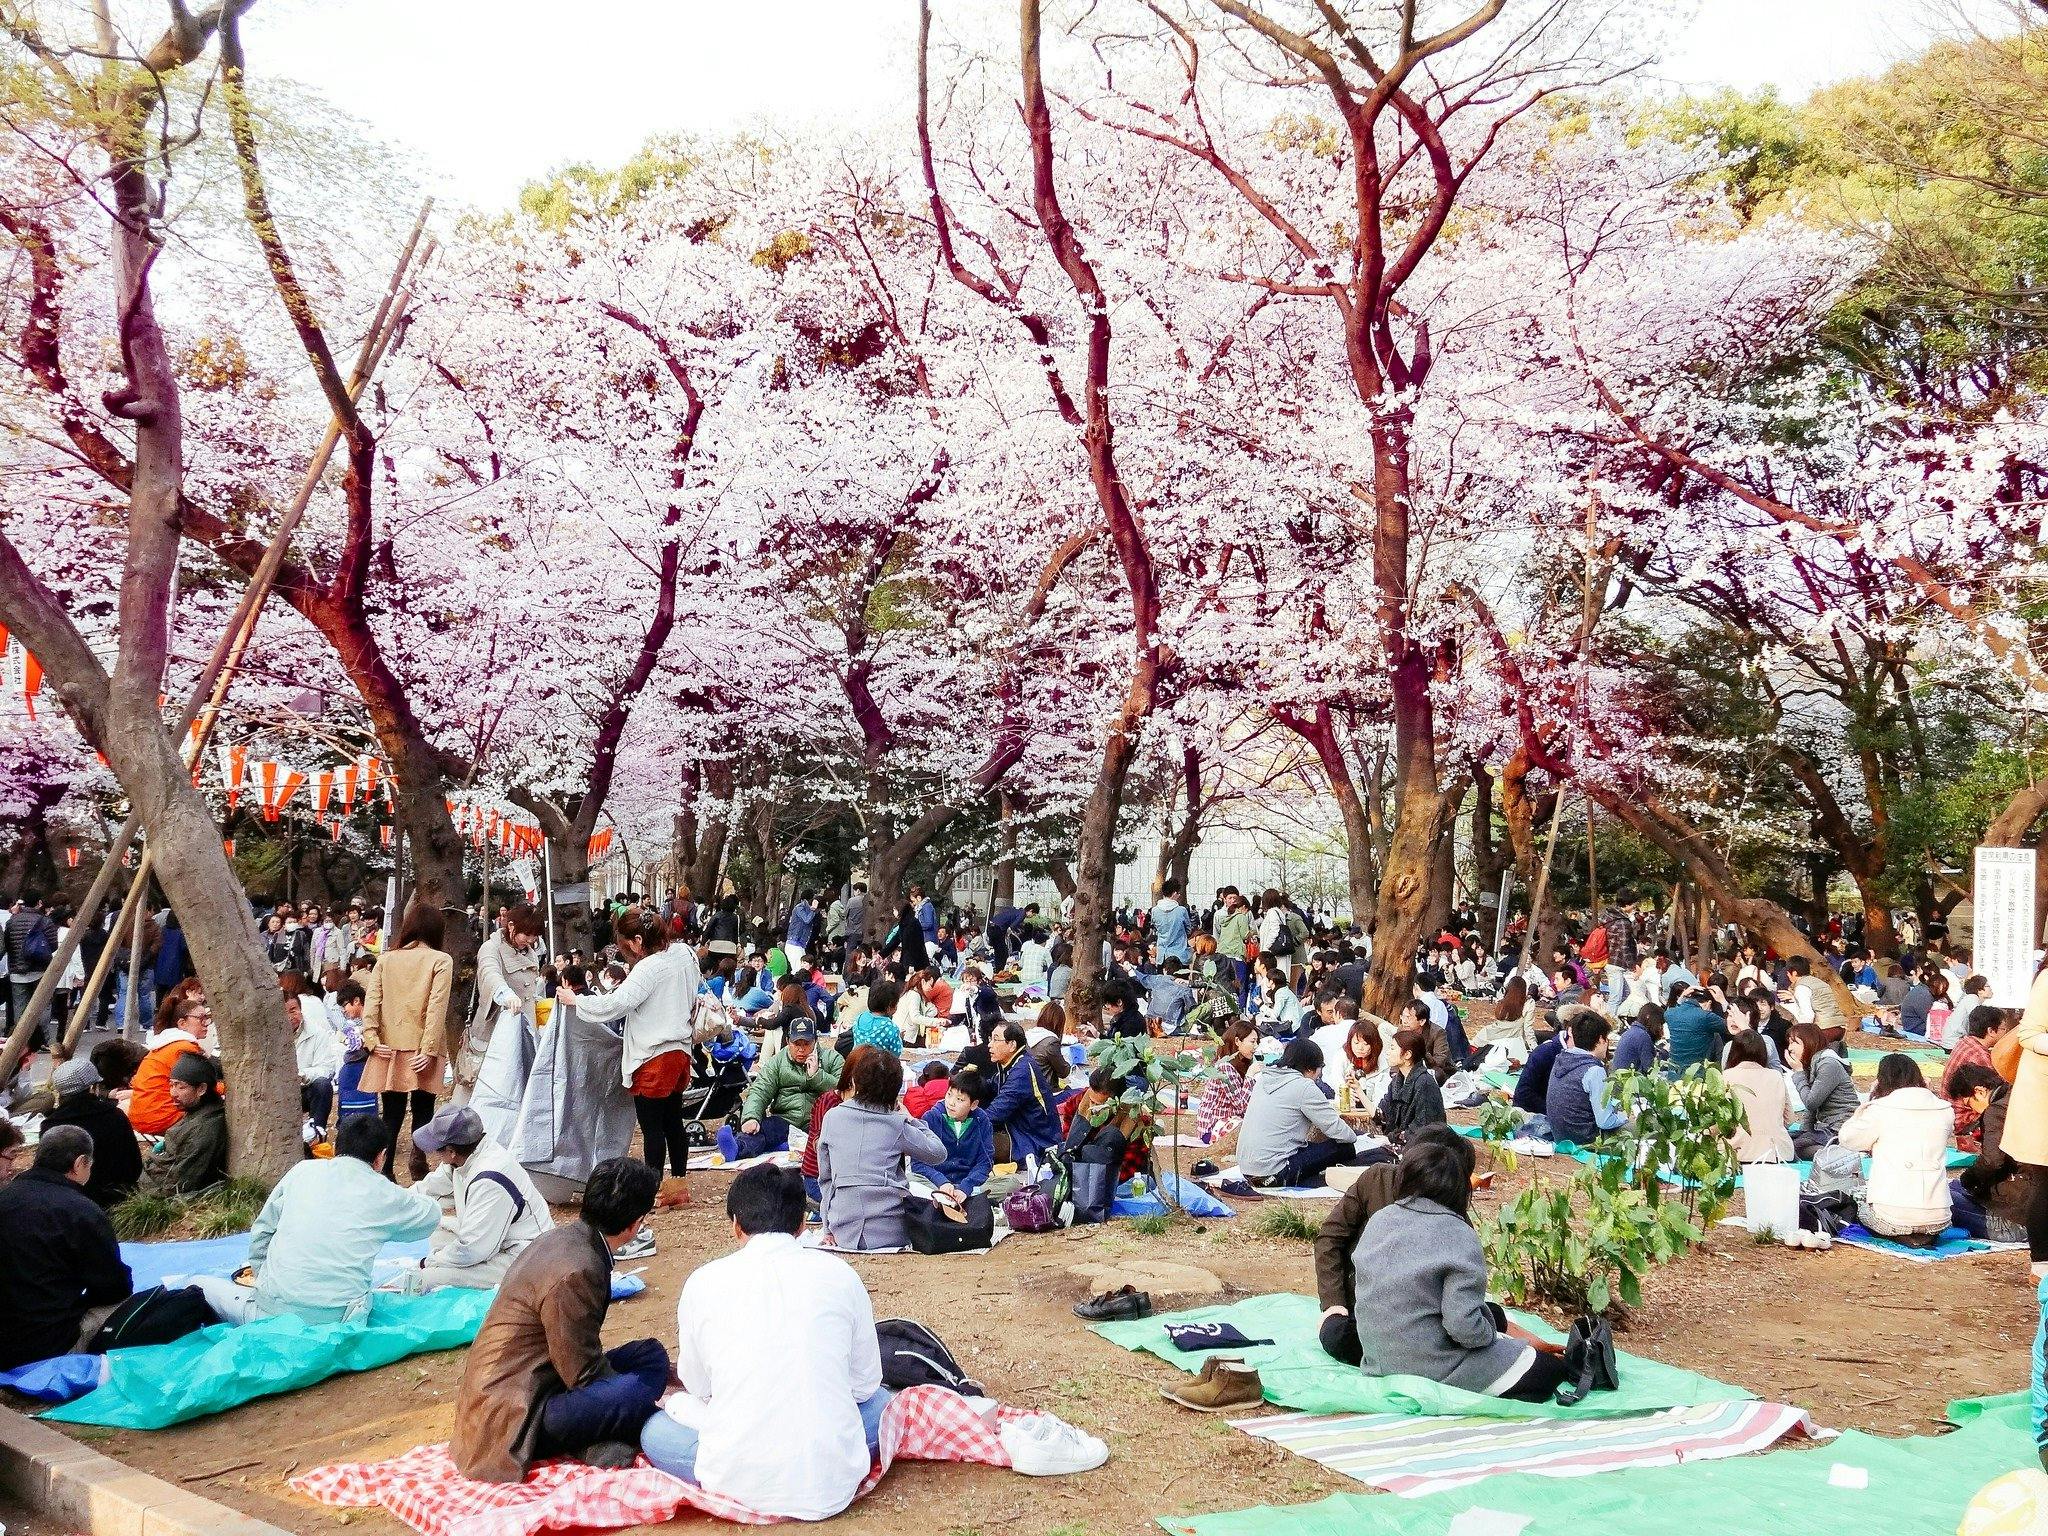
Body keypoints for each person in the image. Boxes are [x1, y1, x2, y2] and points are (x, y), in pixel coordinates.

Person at [640, 1166, 890, 1517]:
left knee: (656, 1432)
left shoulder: (703, 1282)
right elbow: (865, 1385)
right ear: (802, 1225)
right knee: (882, 1402)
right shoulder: (841, 1275)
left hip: (736, 1475)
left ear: (736, 1226)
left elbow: (697, 1386)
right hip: (831, 1478)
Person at [453, 1157, 670, 1479]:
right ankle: (596, 1438)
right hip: (515, 1416)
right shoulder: (578, 1269)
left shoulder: (566, 1240)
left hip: (532, 1384)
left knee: (649, 1356)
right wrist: (633, 1397)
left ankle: (595, 1439)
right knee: (635, 1390)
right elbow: (582, 1373)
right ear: (635, 1224)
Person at [1351, 1138, 1569, 1402]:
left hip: (1377, 1364)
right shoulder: (1457, 1233)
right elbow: (1463, 1326)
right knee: (1549, 1371)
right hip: (1430, 1368)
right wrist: (1494, 1338)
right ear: (1460, 1188)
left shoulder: (1380, 1219)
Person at [192, 1114, 442, 1325]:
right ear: (381, 1157)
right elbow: (431, 1216)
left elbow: (262, 1231)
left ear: (334, 1148)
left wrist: (267, 1282)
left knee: (198, 1283)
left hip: (270, 1313)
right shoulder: (385, 1192)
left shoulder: (301, 1171)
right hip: (341, 1319)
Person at [560, 908, 700, 1198]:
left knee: (652, 1128)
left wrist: (576, 1001)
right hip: (681, 1052)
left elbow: (615, 1005)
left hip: (653, 1056)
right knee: (673, 1120)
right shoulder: (685, 954)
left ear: (637, 941)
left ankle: (654, 1189)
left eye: (626, 946)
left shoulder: (648, 969)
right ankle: (678, 1185)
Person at [1313, 1125, 1472, 1365]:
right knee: (1338, 1336)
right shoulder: (1377, 1180)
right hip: (1369, 1314)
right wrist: (1334, 1304)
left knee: (1489, 1317)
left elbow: (1461, 1290)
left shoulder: (1454, 1218)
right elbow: (1330, 1239)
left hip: (1426, 1322)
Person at [0, 1125, 132, 1369]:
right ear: (80, 1163)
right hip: (47, 1347)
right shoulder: (81, 1211)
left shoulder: (6, 1197)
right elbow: (115, 1288)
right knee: (134, 1306)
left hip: (7, 1340)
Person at [397, 1106, 553, 1293]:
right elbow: (428, 1190)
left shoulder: (490, 1179)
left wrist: (430, 1262)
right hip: (493, 1241)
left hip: (525, 1258)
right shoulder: (465, 1157)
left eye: (438, 1150)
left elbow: (472, 1249)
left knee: (427, 1279)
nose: (436, 1155)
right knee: (435, 1231)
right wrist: (392, 1205)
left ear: (451, 1151)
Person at [360, 899, 454, 1182]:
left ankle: (386, 1167)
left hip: (389, 1046)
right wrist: (428, 1047)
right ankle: (418, 1154)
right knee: (424, 1107)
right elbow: (437, 1006)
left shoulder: (385, 959)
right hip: (424, 1045)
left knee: (391, 1111)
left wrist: (371, 1038)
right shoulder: (441, 960)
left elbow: (372, 1001)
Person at [815, 1049, 946, 1250]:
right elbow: (938, 1153)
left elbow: (825, 1179)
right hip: (891, 1230)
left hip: (843, 1230)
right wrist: (911, 1119)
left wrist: (828, 1229)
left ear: (855, 1083)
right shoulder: (896, 1123)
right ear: (895, 1090)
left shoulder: (832, 1117)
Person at [1835, 1053, 1952, 1245]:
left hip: (1892, 1214)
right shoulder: (1944, 1110)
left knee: (1858, 1205)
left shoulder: (1880, 1109)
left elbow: (1847, 1139)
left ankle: (1901, 1233)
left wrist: (1869, 1101)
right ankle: (1921, 1234)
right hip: (1939, 1218)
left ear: (1882, 1080)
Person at [1236, 1038, 1361, 1187]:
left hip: (1246, 1170)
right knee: (1344, 1148)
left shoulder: (1265, 1078)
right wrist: (1356, 1137)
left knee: (1311, 1148)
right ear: (1309, 1069)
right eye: (1320, 1067)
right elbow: (1342, 1133)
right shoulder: (1305, 1086)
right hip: (1274, 1173)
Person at [457, 904, 543, 1103]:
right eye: (527, 934)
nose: (531, 940)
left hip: (523, 1032)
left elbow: (528, 990)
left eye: (535, 935)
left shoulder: (530, 952)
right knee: (476, 1090)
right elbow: (490, 974)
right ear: (511, 926)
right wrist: (505, 994)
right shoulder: (491, 948)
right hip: (492, 1030)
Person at [734, 1017, 845, 1161]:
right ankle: (738, 1147)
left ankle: (785, 1146)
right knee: (759, 1130)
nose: (801, 1049)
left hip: (821, 1121)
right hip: (785, 1120)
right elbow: (760, 1090)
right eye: (796, 1044)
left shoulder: (832, 1058)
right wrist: (751, 1117)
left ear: (815, 1041)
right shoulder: (777, 1061)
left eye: (806, 1043)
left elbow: (844, 1092)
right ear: (787, 1041)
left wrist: (818, 1076)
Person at [42, 1059, 142, 1207]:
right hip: (116, 1198)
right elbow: (134, 1166)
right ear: (92, 1088)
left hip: (68, 1202)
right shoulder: (114, 1116)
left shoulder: (50, 1125)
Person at [1949, 1064, 2032, 1243]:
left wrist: (1969, 1179)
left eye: (1969, 1103)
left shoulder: (1996, 1111)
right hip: (2035, 1206)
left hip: (2018, 1222)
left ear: (1979, 1091)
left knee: (1941, 1197)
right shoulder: (2021, 1094)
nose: (1973, 1111)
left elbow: (1993, 1161)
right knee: (1954, 1187)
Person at [137, 1052, 229, 1196]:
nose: (173, 1093)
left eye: (181, 1087)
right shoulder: (197, 1111)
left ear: (201, 1089)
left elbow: (180, 1185)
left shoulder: (204, 1129)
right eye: (172, 1085)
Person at [126, 989, 210, 1136]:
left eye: (208, 1018)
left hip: (139, 1118)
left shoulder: (164, 1043)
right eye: (201, 1018)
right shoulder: (184, 1047)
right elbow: (206, 1086)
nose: (207, 1023)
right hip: (161, 1119)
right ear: (182, 1023)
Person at [1544, 1012, 1629, 1145]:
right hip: (1587, 1142)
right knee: (1638, 1127)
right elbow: (1604, 1121)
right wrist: (1626, 1115)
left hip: (1561, 1137)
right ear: (1601, 1040)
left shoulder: (1560, 1059)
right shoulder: (1594, 1071)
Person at [985, 1021, 1062, 1166]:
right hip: (1018, 1132)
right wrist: (967, 1087)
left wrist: (965, 1122)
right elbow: (990, 1086)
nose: (990, 1044)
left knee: (972, 1139)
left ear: (1012, 1045)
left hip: (1034, 1143)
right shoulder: (1012, 1064)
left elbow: (995, 1113)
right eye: (990, 1039)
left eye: (995, 1039)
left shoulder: (1022, 1072)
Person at [911, 1068, 994, 1199]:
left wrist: (966, 1187)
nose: (951, 1103)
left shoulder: (982, 1121)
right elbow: (918, 1163)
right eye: (949, 1094)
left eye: (960, 1099)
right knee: (910, 1181)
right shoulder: (931, 1118)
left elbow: (985, 1162)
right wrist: (941, 1182)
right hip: (935, 1183)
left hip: (968, 1184)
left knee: (1011, 1184)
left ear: (973, 1104)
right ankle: (948, 1199)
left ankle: (955, 1199)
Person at [1787, 1021, 1858, 1158]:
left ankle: (1841, 1152)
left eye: (1795, 1042)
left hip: (1840, 1128)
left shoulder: (1828, 1064)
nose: (1790, 1048)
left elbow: (1811, 1102)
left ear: (1809, 1042)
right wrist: (1805, 1132)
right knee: (1784, 1141)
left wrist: (1798, 1073)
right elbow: (1812, 1109)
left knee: (1791, 1148)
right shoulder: (1813, 1063)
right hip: (1826, 1128)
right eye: (1789, 1043)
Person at [1723, 1030, 1795, 1163]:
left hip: (1738, 1153)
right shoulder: (1776, 1076)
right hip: (1779, 1153)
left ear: (1733, 1052)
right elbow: (1790, 1119)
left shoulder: (1726, 1077)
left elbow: (1718, 1123)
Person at [286, 981, 341, 1139]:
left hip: (305, 1087)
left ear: (301, 1009)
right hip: (279, 1092)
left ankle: (317, 1134)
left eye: (293, 1010)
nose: (290, 1017)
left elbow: (327, 1068)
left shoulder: (317, 1033)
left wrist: (302, 1075)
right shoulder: (270, 1038)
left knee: (323, 1086)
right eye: (285, 1012)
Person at [1377, 1027, 1448, 1143]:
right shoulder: (1397, 1081)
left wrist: (1392, 1138)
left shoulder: (1424, 1083)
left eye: (1392, 1048)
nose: (1388, 1052)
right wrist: (1359, 1090)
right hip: (1399, 1143)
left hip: (1423, 1152)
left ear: (1407, 1055)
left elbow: (1424, 1129)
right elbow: (1383, 1114)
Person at [1198, 1020, 1259, 1142]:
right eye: (1252, 1042)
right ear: (1237, 1041)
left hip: (1229, 1120)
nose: (1256, 1046)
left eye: (1257, 1042)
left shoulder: (1240, 1064)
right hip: (1212, 1128)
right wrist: (1251, 1076)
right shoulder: (1225, 1067)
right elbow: (1241, 1105)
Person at [1661, 986, 1728, 1074]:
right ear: (1709, 1003)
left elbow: (1674, 1010)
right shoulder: (1706, 1017)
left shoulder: (1669, 1014)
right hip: (1696, 1076)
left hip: (1674, 1074)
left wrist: (1682, 997)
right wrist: (1723, 1002)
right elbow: (1730, 1027)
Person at [851, 976, 907, 1056]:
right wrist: (899, 1038)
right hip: (880, 1067)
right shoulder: (890, 1028)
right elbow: (896, 1054)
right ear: (889, 1006)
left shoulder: (859, 1018)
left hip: (857, 1064)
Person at [1253, 954, 1304, 1037]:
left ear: (1272, 981)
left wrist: (1261, 1005)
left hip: (1293, 1027)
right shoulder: (1283, 990)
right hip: (1293, 1025)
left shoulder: (1281, 993)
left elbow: (1274, 1014)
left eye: (1268, 980)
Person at [1151, 878, 1193, 967]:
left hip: (1162, 956)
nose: (1179, 895)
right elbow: (1189, 930)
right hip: (1179, 955)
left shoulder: (1155, 911)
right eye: (1178, 893)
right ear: (1174, 893)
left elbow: (1155, 928)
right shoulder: (1182, 911)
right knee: (1180, 980)